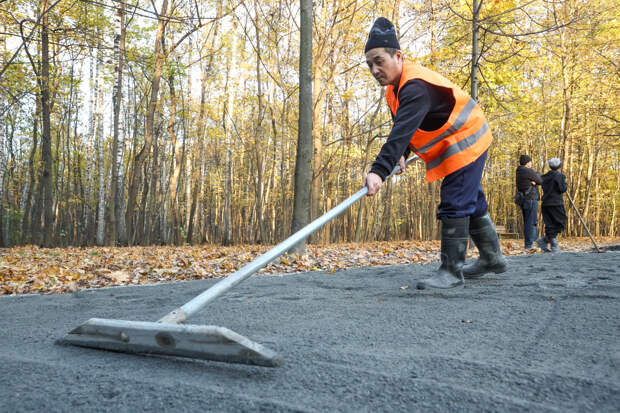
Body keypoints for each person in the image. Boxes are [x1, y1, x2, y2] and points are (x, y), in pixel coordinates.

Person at [362, 17, 506, 289]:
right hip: (454, 142)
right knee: (470, 198)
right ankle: (491, 258)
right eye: (369, 64)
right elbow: (405, 127)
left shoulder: (415, 86)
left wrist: (378, 170)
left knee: (455, 201)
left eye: (379, 61)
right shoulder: (395, 89)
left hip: (467, 138)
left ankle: (451, 272)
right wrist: (401, 154)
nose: (374, 69)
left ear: (398, 56)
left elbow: (400, 131)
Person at [536, 158, 568, 252]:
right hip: (556, 203)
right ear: (559, 166)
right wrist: (565, 185)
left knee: (550, 224)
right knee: (561, 223)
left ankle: (545, 241)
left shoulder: (545, 176)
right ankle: (551, 242)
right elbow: (562, 189)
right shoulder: (559, 176)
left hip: (545, 203)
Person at [515, 154, 542, 249]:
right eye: (530, 161)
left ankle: (528, 243)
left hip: (524, 199)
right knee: (531, 222)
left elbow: (537, 178)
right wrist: (536, 179)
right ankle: (529, 245)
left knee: (527, 221)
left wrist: (535, 179)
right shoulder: (528, 171)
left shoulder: (519, 171)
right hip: (530, 198)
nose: (531, 163)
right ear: (527, 163)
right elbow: (540, 180)